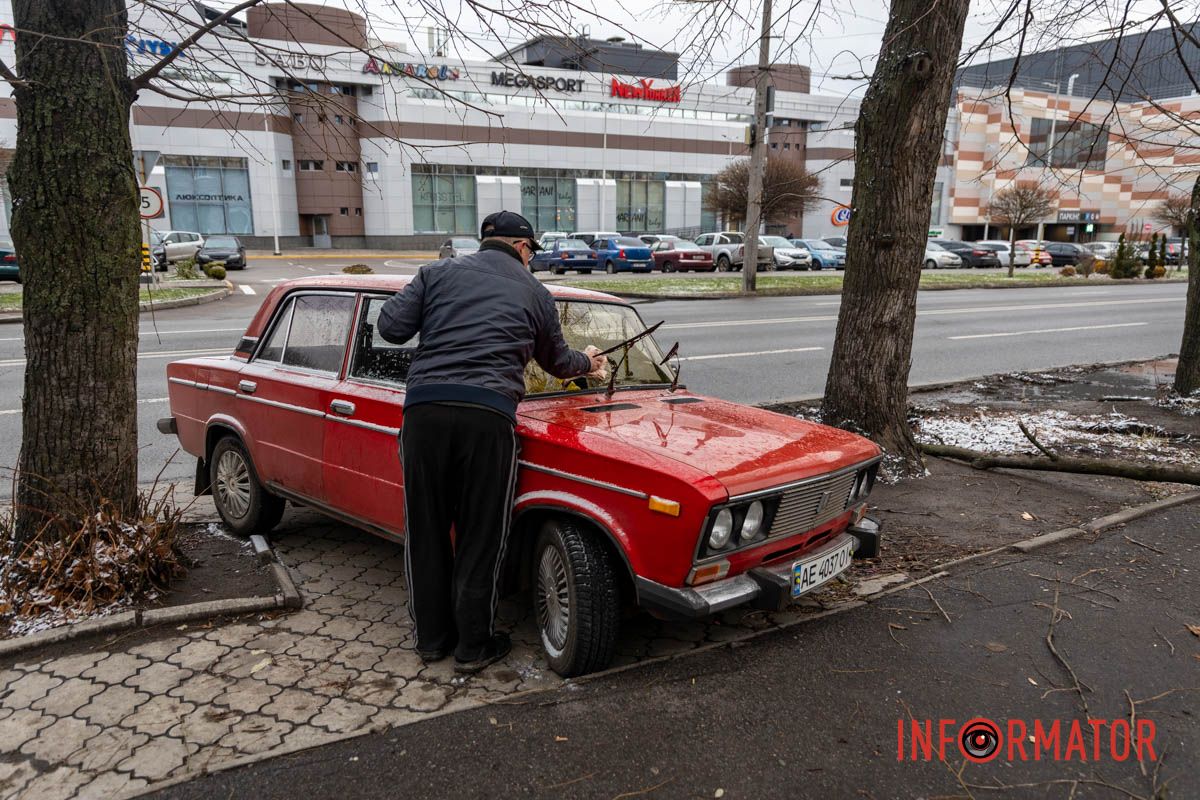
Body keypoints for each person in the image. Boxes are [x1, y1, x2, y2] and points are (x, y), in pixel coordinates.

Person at [377, 210, 607, 674]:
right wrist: (591, 363)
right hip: (488, 415)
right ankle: (473, 647)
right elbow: (559, 361)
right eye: (532, 254)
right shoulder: (534, 292)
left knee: (426, 530)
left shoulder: (435, 272)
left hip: (424, 413)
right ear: (523, 248)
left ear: (484, 241)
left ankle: (431, 641)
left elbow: (390, 327)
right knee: (482, 534)